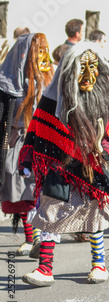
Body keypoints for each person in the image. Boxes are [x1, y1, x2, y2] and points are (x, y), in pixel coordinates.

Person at [19, 42, 109, 287]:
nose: (89, 75)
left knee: (95, 213)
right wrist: (28, 158)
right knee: (51, 210)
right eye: (83, 68)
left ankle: (98, 264)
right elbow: (38, 128)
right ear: (70, 72)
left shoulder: (103, 99)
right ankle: (45, 268)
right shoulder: (53, 98)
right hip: (60, 165)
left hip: (94, 165)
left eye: (94, 68)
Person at [0, 33, 54, 256]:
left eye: (43, 48)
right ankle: (31, 238)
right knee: (22, 190)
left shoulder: (51, 75)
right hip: (19, 140)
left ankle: (42, 237)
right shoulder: (10, 78)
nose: (40, 53)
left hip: (44, 141)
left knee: (39, 190)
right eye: (36, 48)